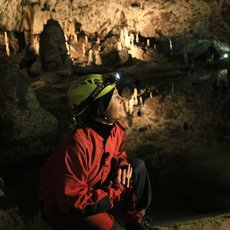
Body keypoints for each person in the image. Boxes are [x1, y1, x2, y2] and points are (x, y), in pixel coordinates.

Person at [39, 73, 156, 230]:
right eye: (115, 96)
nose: (123, 100)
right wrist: (116, 189)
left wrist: (121, 166)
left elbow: (118, 153)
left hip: (94, 187)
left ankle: (135, 220)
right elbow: (73, 201)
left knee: (137, 167)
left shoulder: (116, 129)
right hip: (65, 207)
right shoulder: (77, 144)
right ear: (99, 106)